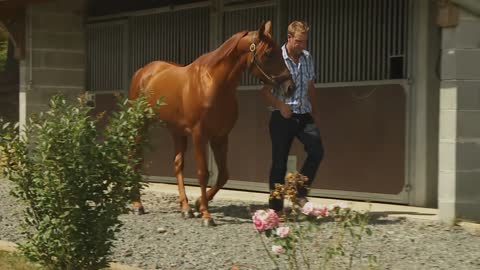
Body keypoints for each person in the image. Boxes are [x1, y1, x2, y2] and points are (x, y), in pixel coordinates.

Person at [261, 20, 324, 213]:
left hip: (304, 114)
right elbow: (264, 92)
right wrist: (281, 106)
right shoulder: (277, 59)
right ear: (289, 38)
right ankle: (275, 209)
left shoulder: (307, 57)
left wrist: (315, 112)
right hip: (283, 117)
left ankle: (298, 193)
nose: (302, 45)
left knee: (317, 151)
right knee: (279, 162)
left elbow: (310, 86)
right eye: (299, 41)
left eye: (305, 41)